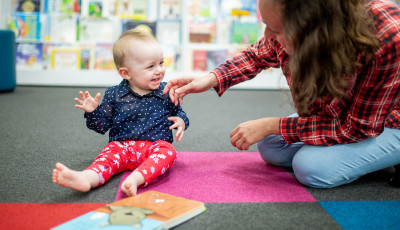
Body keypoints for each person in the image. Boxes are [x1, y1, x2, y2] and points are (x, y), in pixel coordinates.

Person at [163, 0, 400, 188]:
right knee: (270, 146)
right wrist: (209, 79)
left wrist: (272, 124)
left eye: (275, 29)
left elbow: (356, 128)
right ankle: (364, 159)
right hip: (341, 113)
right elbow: (257, 54)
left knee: (311, 168)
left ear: (312, 28)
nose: (267, 35)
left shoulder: (387, 37)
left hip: (385, 122)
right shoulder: (295, 25)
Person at [52, 29, 189, 196]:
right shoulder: (114, 94)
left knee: (168, 152)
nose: (159, 70)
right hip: (121, 147)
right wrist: (93, 112)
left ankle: (136, 178)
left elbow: (179, 113)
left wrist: (181, 122)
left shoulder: (167, 91)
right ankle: (86, 178)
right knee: (105, 159)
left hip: (154, 147)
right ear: (126, 73)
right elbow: (102, 126)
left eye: (161, 63)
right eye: (150, 66)